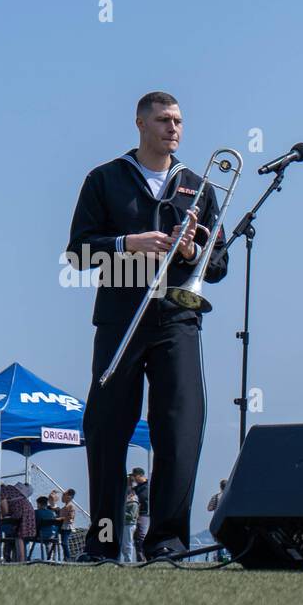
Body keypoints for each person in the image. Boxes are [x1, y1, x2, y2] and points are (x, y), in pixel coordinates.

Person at [67, 90, 226, 561]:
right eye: (162, 120)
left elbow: (218, 264)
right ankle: (103, 542)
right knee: (107, 428)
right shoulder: (104, 179)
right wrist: (127, 242)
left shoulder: (199, 185)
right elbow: (77, 252)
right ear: (140, 124)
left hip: (177, 317)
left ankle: (169, 543)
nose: (172, 128)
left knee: (179, 427)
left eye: (177, 120)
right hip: (119, 317)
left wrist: (193, 251)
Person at [130, 467, 149, 554]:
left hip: (144, 514)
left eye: (135, 476)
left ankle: (144, 556)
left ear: (140, 475)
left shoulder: (147, 487)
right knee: (136, 538)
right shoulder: (136, 488)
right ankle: (140, 557)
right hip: (135, 515)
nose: (134, 478)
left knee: (141, 536)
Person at [121, 485, 139, 563]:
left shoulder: (133, 503)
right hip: (125, 525)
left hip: (129, 525)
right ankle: (126, 559)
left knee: (128, 544)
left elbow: (131, 516)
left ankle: (129, 560)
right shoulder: (128, 502)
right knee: (124, 544)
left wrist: (121, 512)